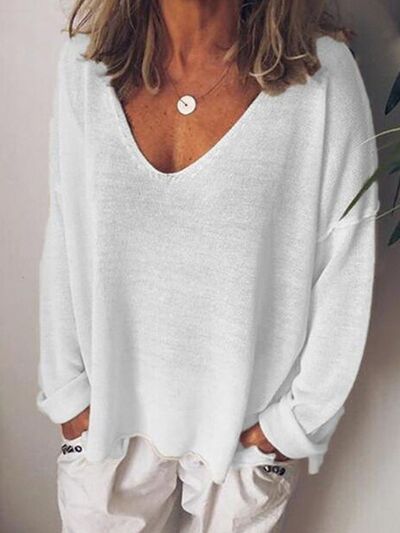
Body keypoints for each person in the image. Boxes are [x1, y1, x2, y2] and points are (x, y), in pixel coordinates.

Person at [36, 0, 380, 531]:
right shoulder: (86, 67)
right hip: (107, 421)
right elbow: (67, 226)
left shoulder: (320, 77)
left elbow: (348, 258)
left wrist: (294, 424)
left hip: (245, 431)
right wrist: (66, 392)